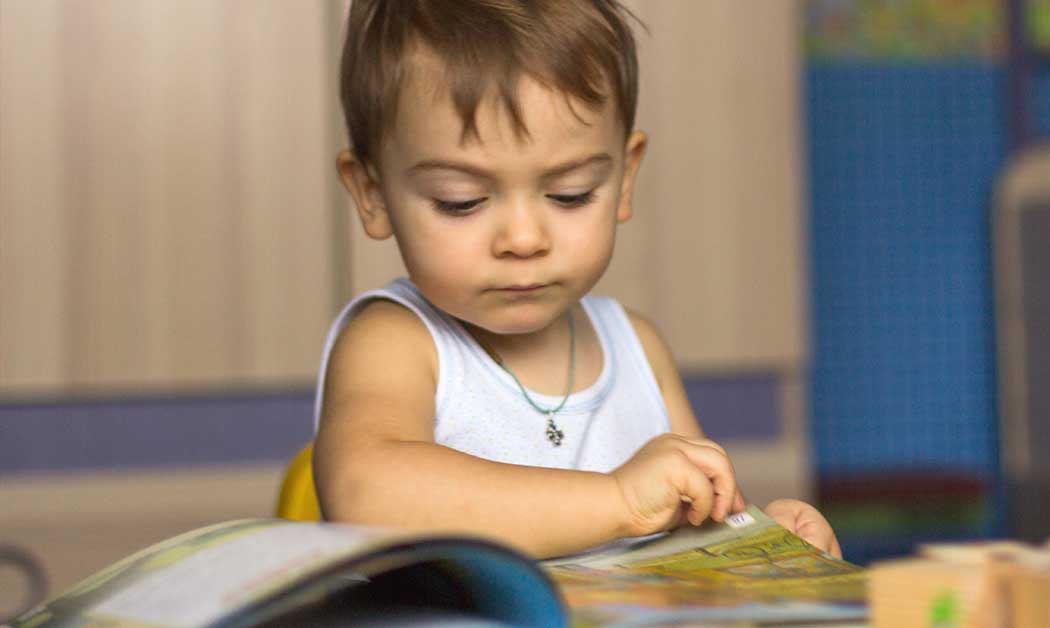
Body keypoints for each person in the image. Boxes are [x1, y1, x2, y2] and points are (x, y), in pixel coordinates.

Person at [314, 0, 840, 560]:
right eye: (460, 202)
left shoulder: (637, 348)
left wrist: (759, 543)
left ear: (624, 177)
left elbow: (689, 524)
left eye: (570, 194)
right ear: (372, 194)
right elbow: (365, 496)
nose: (523, 239)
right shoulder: (396, 343)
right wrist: (616, 500)